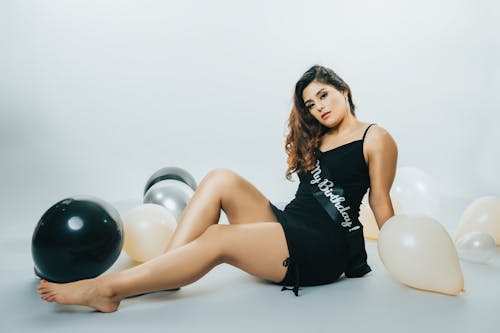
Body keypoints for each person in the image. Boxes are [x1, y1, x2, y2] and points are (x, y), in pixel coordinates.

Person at [37, 64, 398, 312]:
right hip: (291, 223)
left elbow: (379, 201)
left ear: (344, 90)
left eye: (324, 95)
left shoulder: (375, 138)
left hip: (322, 247)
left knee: (216, 238)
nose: (319, 107)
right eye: (310, 103)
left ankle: (109, 290)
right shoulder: (317, 137)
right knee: (221, 177)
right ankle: (165, 273)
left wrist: (400, 254)